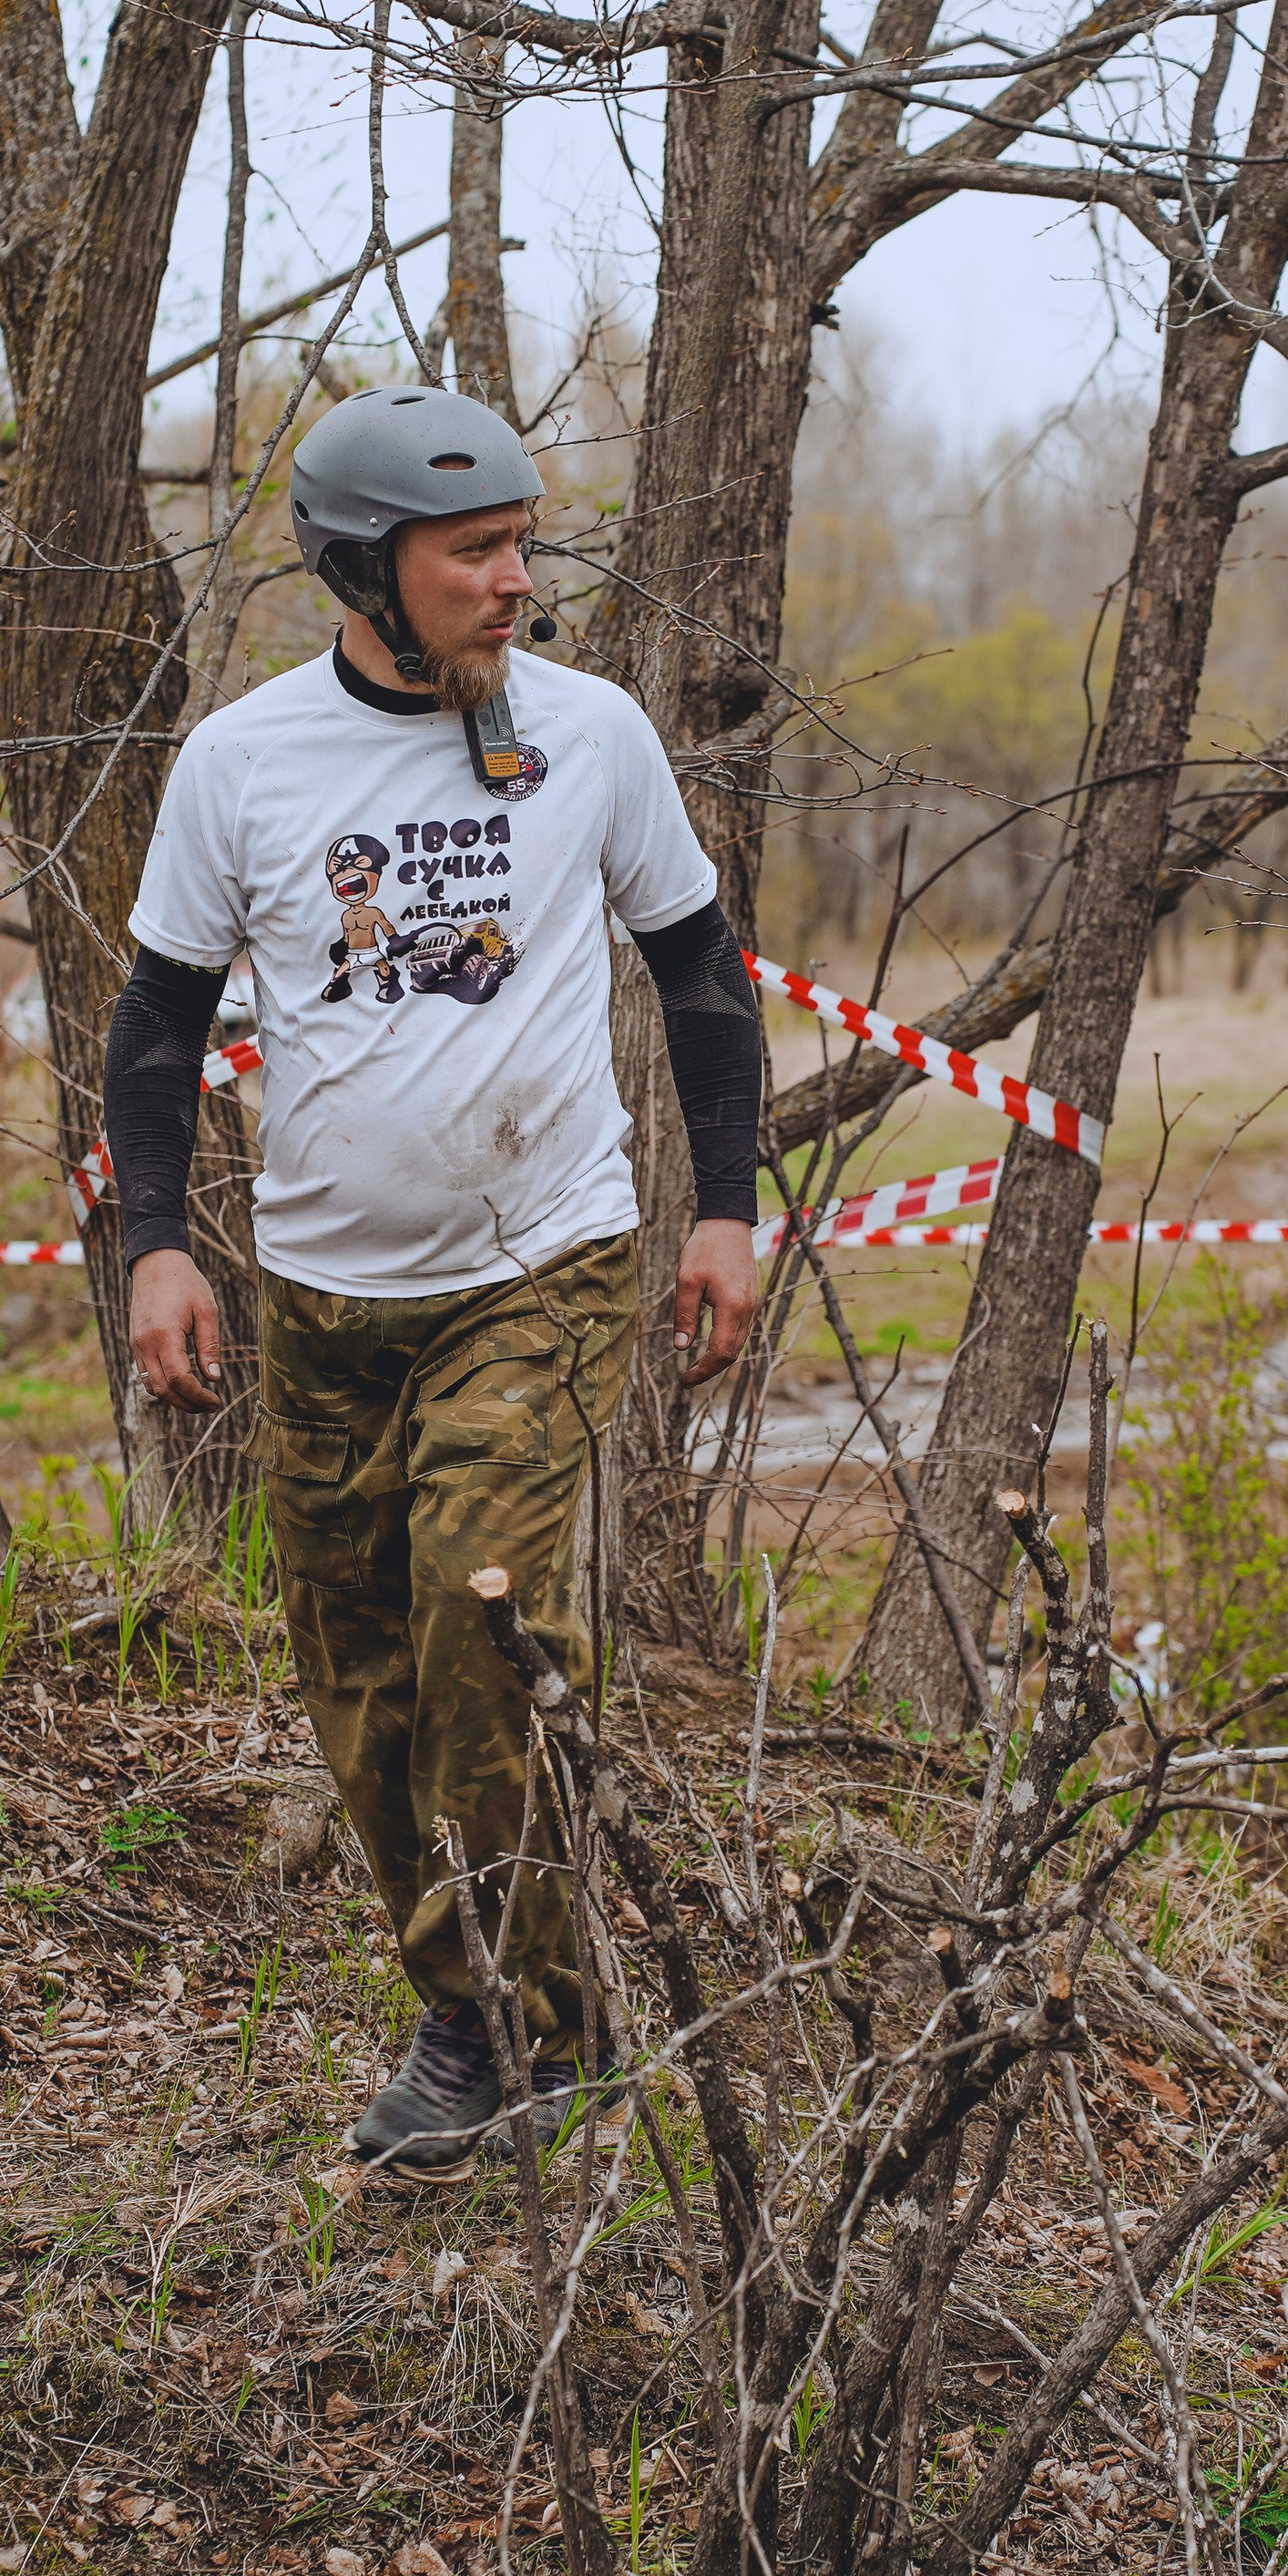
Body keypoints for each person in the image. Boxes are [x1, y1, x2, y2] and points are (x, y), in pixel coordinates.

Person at [101, 385, 762, 2174]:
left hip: (532, 1266)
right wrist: (158, 1240)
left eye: (520, 544)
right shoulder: (242, 766)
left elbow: (702, 977)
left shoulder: (591, 738)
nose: (513, 581)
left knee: (480, 1634)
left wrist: (725, 1203)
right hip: (320, 1304)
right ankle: (483, 2003)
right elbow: (156, 1029)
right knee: (363, 1684)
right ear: (361, 569)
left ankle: (533, 2036)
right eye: (474, 552)